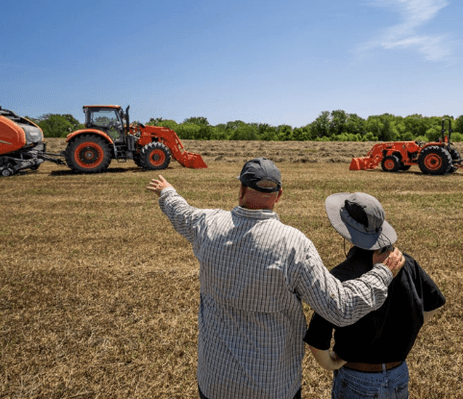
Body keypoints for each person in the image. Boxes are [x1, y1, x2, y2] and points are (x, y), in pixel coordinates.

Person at [146, 158, 406, 399]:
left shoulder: (207, 224)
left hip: (215, 381)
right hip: (272, 386)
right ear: (278, 196)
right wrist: (383, 273)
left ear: (240, 189)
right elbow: (340, 308)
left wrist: (167, 191)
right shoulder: (294, 244)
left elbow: (181, 213)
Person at [304, 192, 445, 399]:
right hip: (399, 374)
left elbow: (317, 342)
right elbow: (433, 304)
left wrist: (334, 362)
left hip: (357, 378)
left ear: (346, 231)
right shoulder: (406, 263)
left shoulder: (339, 276)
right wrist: (409, 329)